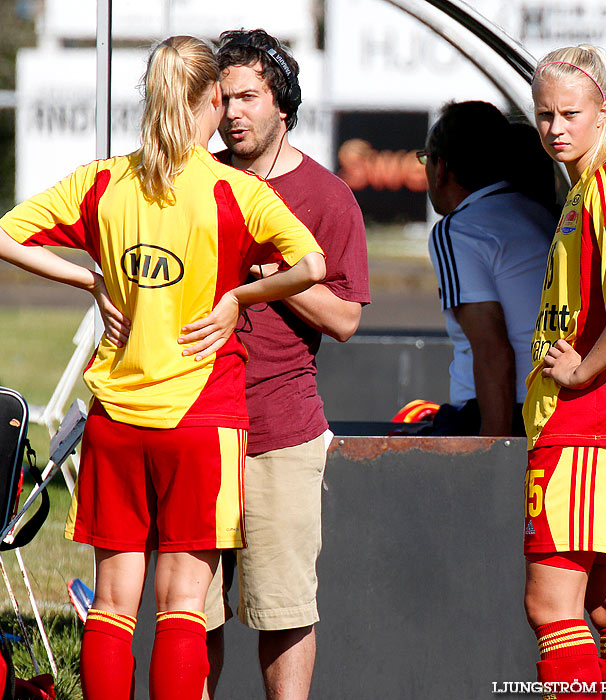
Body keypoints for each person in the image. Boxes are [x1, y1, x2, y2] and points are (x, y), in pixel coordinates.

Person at [0, 35, 325, 700]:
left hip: (117, 421)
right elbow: (314, 266)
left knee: (115, 605)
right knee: (183, 604)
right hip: (202, 424)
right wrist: (239, 296)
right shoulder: (235, 191)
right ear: (212, 99)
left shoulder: (103, 182)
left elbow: (5, 232)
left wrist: (90, 281)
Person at [202, 28, 370, 700]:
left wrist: (286, 278)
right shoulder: (196, 182)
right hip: (196, 429)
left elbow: (349, 320)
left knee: (284, 611)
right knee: (193, 611)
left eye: (247, 96)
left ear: (283, 106)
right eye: (222, 99)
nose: (233, 112)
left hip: (282, 431)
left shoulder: (328, 198)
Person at [524, 45, 606, 699]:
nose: (556, 127)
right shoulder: (585, 188)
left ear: (604, 110)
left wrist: (582, 373)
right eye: (544, 114)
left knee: (552, 608)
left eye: (570, 113)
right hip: (590, 425)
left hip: (585, 423)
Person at [420, 101, 555, 436]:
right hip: (554, 405)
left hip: (509, 411)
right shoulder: (541, 215)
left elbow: (492, 348)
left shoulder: (457, 230)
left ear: (441, 168)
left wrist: (492, 450)